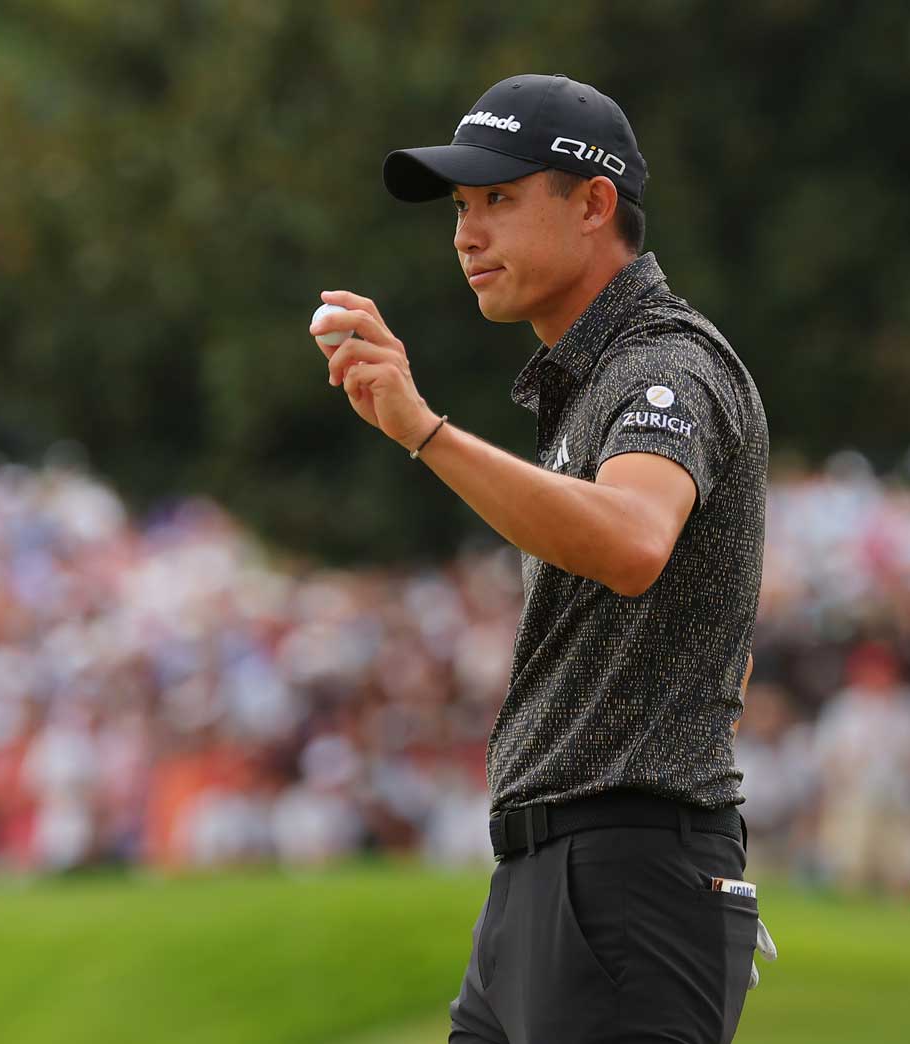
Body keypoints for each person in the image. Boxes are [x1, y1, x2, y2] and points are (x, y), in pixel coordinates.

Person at [314, 73, 771, 1043]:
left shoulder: (663, 365)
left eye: (498, 200)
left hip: (626, 881)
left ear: (593, 204)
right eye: (459, 208)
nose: (463, 235)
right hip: (550, 878)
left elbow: (633, 541)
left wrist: (423, 430)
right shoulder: (592, 380)